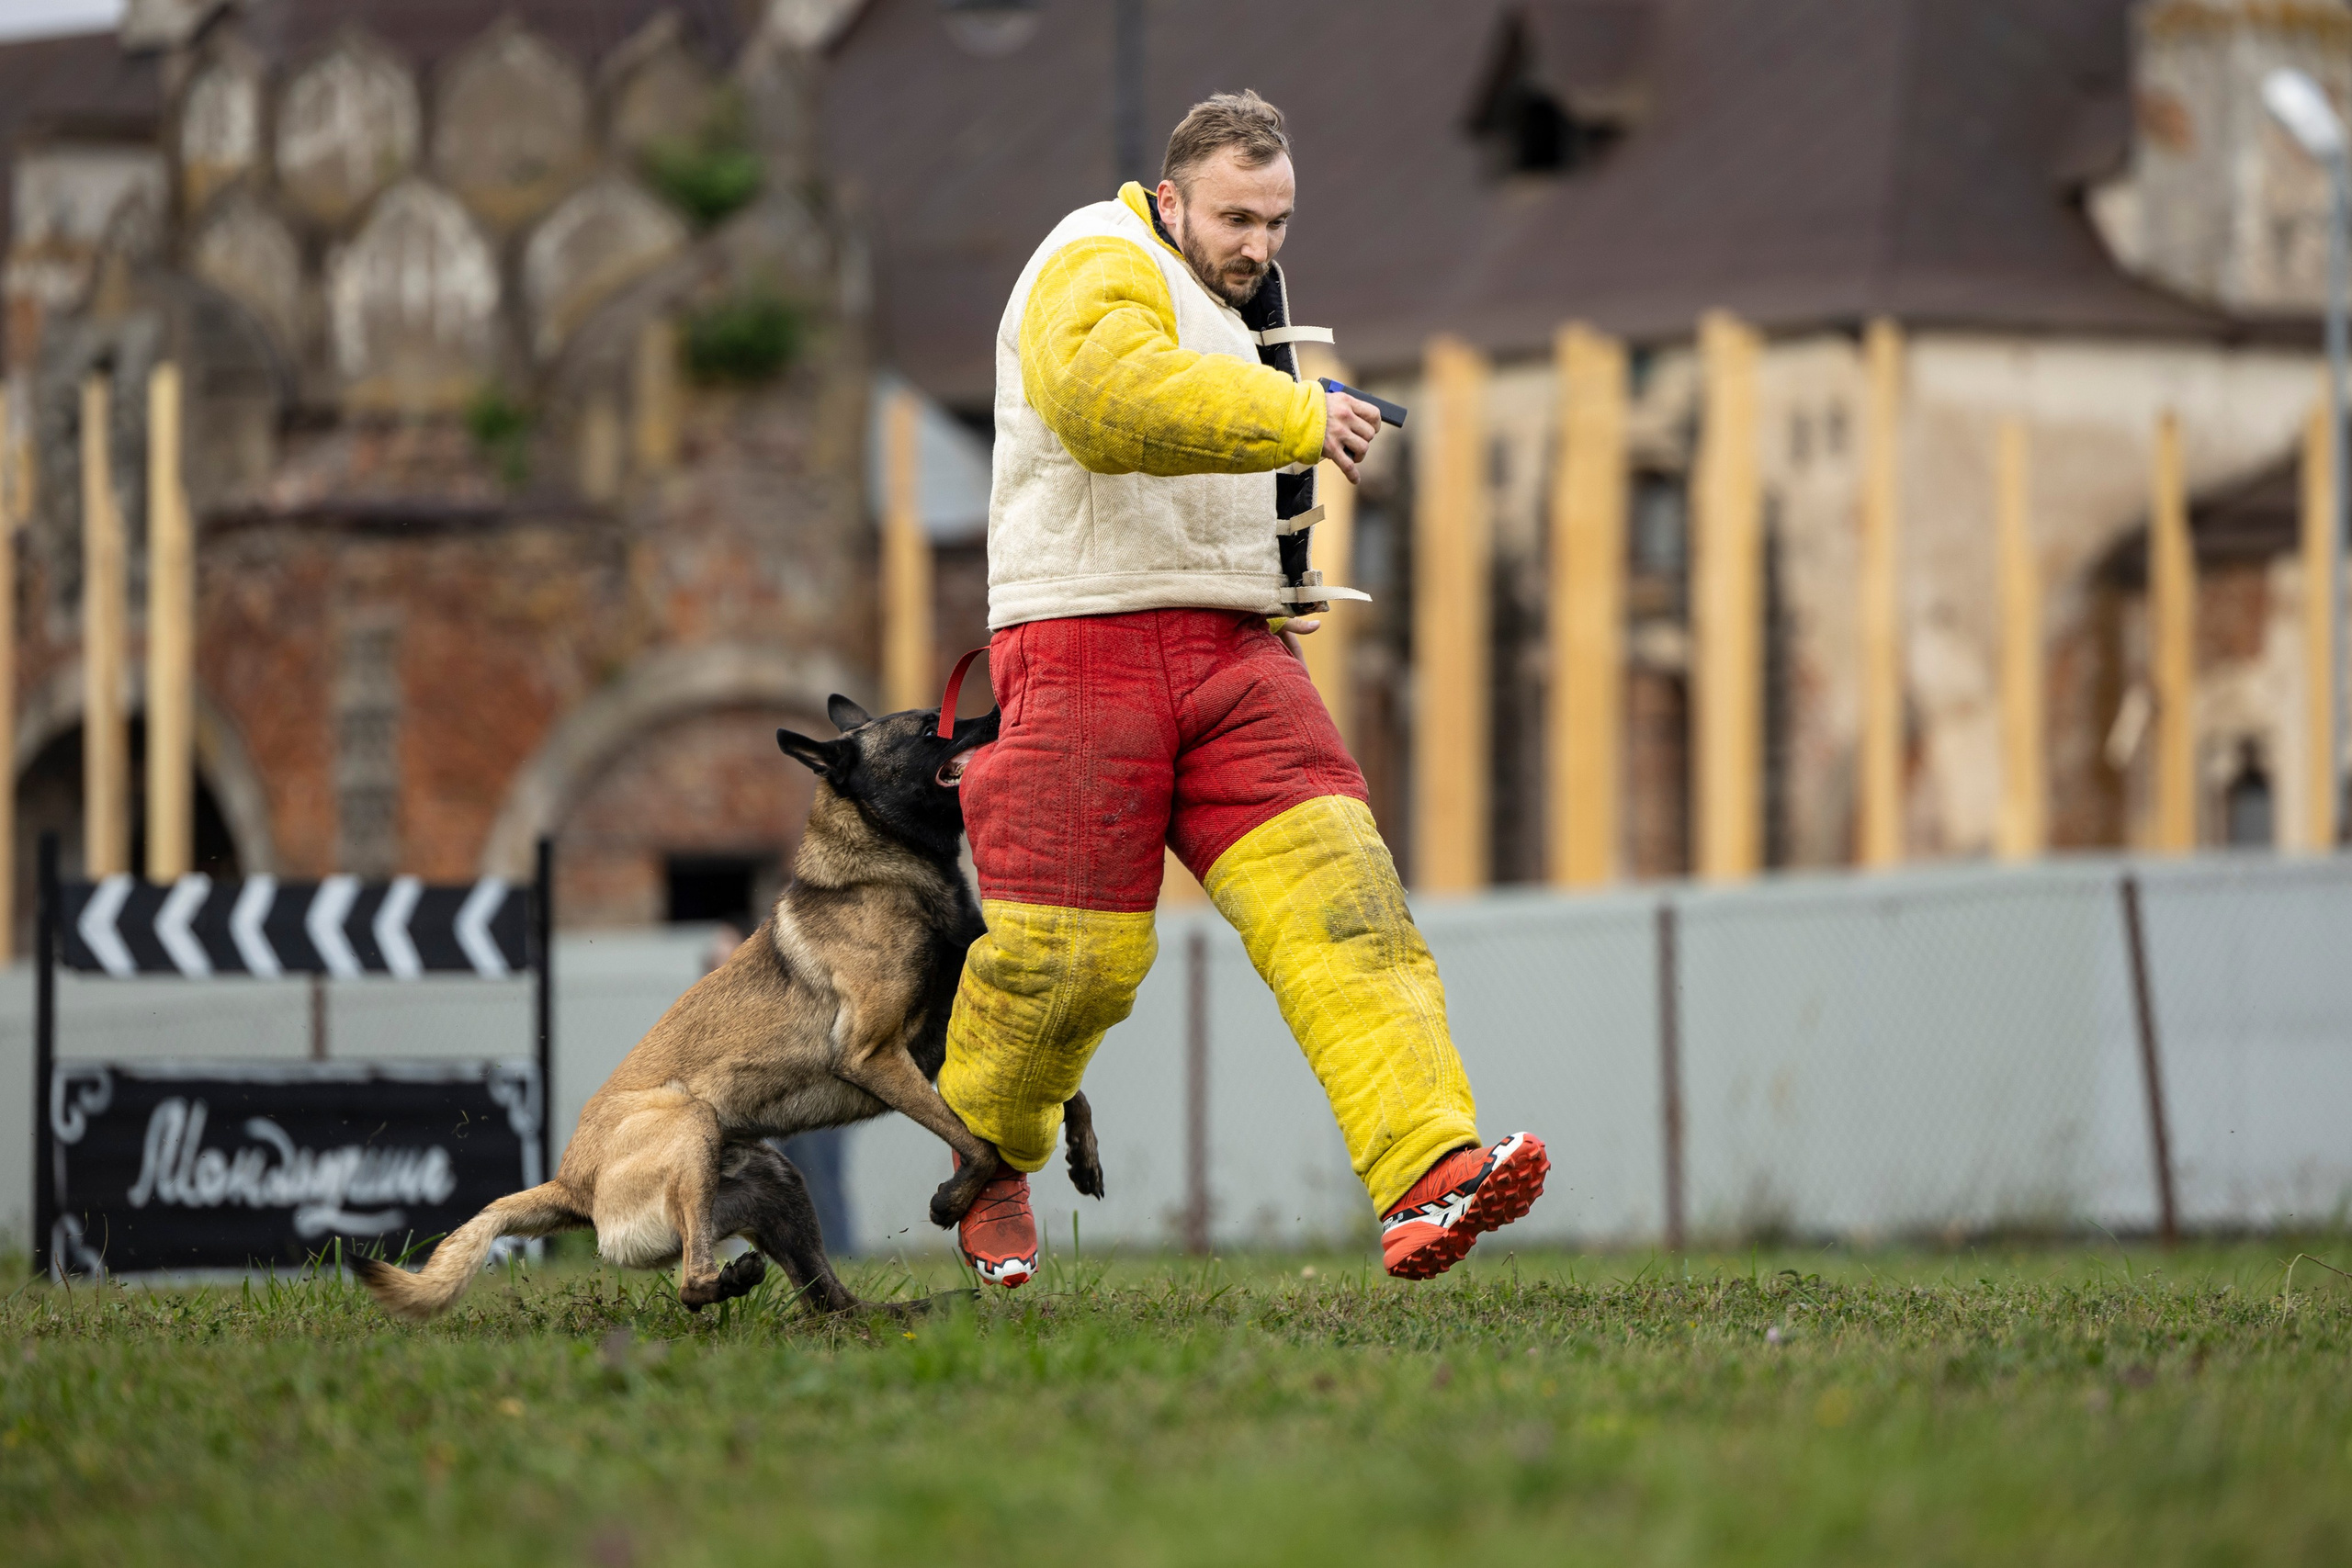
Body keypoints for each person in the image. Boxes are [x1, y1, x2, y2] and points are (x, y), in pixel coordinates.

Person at [939, 90, 1547, 1288]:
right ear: (1170, 200)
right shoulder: (1091, 257)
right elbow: (1111, 405)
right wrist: (1298, 413)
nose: (1260, 245)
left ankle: (1430, 1175)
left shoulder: (1247, 312)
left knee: (1348, 906)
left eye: (1277, 220)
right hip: (1082, 643)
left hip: (1237, 653)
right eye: (1235, 218)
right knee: (1073, 965)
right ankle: (987, 1160)